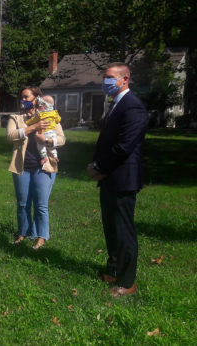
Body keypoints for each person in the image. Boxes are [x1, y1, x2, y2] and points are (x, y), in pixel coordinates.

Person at [87, 62, 149, 297]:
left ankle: (126, 281)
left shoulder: (133, 107)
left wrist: (99, 167)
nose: (106, 81)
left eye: (110, 77)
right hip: (109, 177)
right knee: (110, 227)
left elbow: (124, 147)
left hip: (123, 179)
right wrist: (98, 166)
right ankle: (113, 270)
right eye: (104, 77)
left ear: (125, 79)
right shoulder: (115, 104)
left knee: (123, 230)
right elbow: (105, 141)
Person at [7, 87, 65, 249]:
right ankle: (24, 233)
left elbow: (61, 139)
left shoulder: (50, 115)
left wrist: (47, 141)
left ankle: (41, 236)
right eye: (21, 97)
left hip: (44, 166)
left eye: (26, 97)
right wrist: (32, 127)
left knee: (40, 204)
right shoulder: (16, 118)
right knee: (23, 203)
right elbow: (10, 136)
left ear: (36, 99)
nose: (23, 100)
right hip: (22, 167)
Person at [25, 95, 62, 165]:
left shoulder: (40, 114)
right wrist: (55, 121)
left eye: (40, 105)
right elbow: (58, 120)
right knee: (52, 147)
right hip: (52, 133)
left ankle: (44, 157)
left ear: (44, 105)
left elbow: (32, 120)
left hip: (44, 133)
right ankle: (55, 156)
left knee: (40, 145)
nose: (39, 106)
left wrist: (27, 122)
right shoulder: (55, 113)